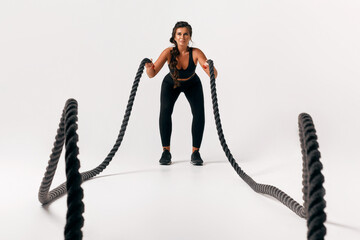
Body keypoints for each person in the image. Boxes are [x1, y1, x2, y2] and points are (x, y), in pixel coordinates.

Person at [145, 21, 218, 166]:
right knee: (165, 112)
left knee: (199, 114)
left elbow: (213, 75)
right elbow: (151, 74)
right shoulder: (168, 52)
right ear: (174, 36)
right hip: (170, 84)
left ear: (190, 37)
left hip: (192, 84)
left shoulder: (196, 53)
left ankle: (195, 152)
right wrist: (148, 67)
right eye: (179, 34)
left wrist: (210, 67)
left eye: (186, 34)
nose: (182, 37)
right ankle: (166, 152)